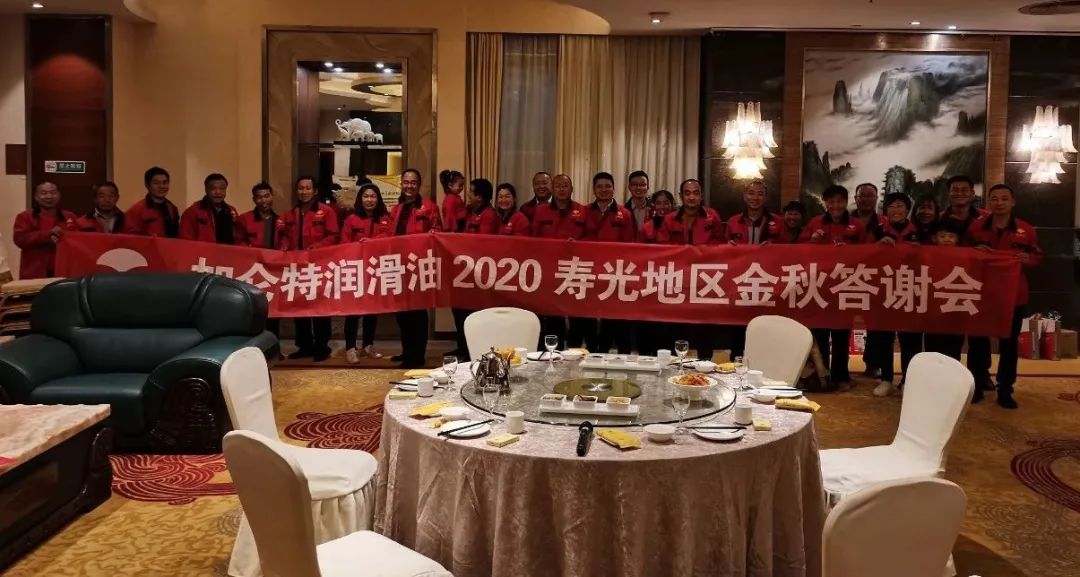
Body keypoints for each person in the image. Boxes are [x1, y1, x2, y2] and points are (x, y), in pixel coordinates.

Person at [966, 184, 1040, 409]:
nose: (999, 203)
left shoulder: (1026, 229)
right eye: (995, 199)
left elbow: (1037, 255)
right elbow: (963, 255)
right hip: (981, 293)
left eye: (1004, 199)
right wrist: (974, 253)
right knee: (977, 342)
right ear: (989, 202)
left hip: (1013, 295)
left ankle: (1005, 389)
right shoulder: (976, 228)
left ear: (1012, 202)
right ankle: (976, 385)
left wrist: (1028, 259)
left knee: (1009, 345)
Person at [801, 184, 870, 390]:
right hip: (820, 286)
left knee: (841, 334)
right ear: (825, 203)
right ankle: (823, 375)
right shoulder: (815, 223)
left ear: (846, 202)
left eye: (839, 201)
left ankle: (841, 376)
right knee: (820, 333)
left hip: (845, 286)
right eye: (831, 202)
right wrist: (812, 241)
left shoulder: (857, 225)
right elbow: (798, 249)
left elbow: (869, 251)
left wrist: (851, 249)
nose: (835, 205)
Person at [660, 178, 725, 361]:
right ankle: (675, 366)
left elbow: (720, 244)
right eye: (687, 193)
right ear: (681, 196)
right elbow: (663, 249)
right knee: (676, 328)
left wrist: (701, 253)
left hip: (705, 281)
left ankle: (704, 367)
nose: (691, 197)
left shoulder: (712, 216)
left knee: (705, 329)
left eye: (696, 193)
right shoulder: (669, 219)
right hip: (678, 281)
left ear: (701, 195)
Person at [939, 175, 993, 393]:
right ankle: (952, 377)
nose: (959, 193)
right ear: (949, 193)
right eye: (955, 189)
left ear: (972, 193)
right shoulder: (940, 218)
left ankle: (981, 376)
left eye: (964, 190)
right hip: (950, 283)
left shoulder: (986, 219)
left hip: (979, 283)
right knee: (951, 335)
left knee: (979, 334)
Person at [280, 176, 339, 362]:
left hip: (319, 265)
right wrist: (284, 247)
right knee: (300, 307)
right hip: (296, 267)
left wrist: (317, 248)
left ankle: (322, 346)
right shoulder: (290, 214)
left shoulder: (326, 212)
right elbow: (283, 236)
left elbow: (333, 236)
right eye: (300, 188)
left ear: (315, 191)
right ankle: (304, 346)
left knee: (320, 307)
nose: (304, 192)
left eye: (308, 188)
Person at [870, 192, 923, 397]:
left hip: (911, 290)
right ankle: (886, 379)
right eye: (892, 206)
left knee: (910, 339)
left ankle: (908, 380)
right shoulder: (877, 230)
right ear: (886, 210)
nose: (896, 210)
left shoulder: (918, 231)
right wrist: (877, 247)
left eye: (900, 206)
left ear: (907, 209)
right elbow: (863, 254)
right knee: (884, 338)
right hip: (884, 289)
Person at [726, 180, 783, 359]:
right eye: (751, 193)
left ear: (765, 197)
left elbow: (788, 250)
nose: (755, 197)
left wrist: (775, 248)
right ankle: (735, 364)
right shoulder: (733, 221)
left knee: (764, 327)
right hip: (740, 282)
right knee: (738, 327)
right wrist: (727, 247)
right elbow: (720, 250)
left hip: (767, 283)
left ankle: (764, 363)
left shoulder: (778, 222)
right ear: (744, 196)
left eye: (760, 193)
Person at [390, 168, 441, 368]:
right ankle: (407, 351)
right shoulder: (397, 209)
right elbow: (387, 235)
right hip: (398, 266)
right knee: (401, 312)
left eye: (413, 182)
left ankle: (417, 355)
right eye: (406, 182)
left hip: (419, 266)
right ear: (401, 184)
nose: (409, 186)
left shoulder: (429, 207)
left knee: (417, 313)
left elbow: (437, 231)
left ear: (419, 185)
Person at [531, 173, 588, 350]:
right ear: (552, 189)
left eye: (565, 186)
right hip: (550, 271)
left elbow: (591, 238)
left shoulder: (583, 210)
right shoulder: (541, 211)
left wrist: (578, 245)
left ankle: (574, 351)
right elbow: (533, 240)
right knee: (553, 316)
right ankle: (554, 352)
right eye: (558, 186)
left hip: (575, 270)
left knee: (577, 316)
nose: (562, 189)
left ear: (572, 189)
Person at [340, 183, 393, 363]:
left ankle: (368, 345)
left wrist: (372, 242)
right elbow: (344, 243)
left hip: (376, 270)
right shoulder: (351, 219)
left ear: (378, 199)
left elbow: (390, 238)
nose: (369, 200)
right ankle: (350, 347)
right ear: (360, 199)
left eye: (373, 196)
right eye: (366, 196)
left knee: (372, 311)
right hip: (355, 271)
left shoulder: (385, 218)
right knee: (353, 312)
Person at [585, 171, 636, 354]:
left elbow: (630, 245)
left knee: (615, 317)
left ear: (614, 189)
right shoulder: (585, 211)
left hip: (615, 272)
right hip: (590, 272)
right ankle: (593, 353)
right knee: (589, 316)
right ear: (593, 189)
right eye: (599, 186)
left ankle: (621, 356)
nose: (604, 190)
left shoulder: (625, 213)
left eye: (608, 186)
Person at [450, 178, 498, 357]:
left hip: (479, 272)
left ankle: (473, 350)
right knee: (459, 310)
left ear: (480, 197)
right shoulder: (469, 211)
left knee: (473, 313)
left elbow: (483, 243)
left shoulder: (489, 215)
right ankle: (462, 346)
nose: (468, 195)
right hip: (464, 270)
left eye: (471, 192)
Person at [236, 182, 283, 341]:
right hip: (252, 271)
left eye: (267, 196)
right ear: (254, 199)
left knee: (274, 309)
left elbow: (286, 242)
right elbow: (238, 242)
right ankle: (253, 345)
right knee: (254, 308)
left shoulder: (281, 220)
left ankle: (273, 344)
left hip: (273, 271)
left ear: (272, 197)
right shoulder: (244, 219)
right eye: (259, 197)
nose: (264, 200)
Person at [851, 182, 888, 379]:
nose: (865, 199)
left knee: (876, 323)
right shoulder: (845, 220)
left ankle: (873, 363)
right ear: (855, 199)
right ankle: (838, 367)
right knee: (840, 322)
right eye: (862, 195)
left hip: (875, 279)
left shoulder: (884, 222)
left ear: (876, 199)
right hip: (847, 277)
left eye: (869, 196)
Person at [637, 189, 676, 355]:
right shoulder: (646, 228)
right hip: (651, 281)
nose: (662, 207)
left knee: (670, 327)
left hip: (674, 280)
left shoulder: (680, 225)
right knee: (649, 325)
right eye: (658, 203)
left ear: (672, 205)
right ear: (653, 205)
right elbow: (638, 255)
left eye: (666, 203)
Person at [922, 219, 966, 361]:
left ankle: (952, 374)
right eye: (942, 236)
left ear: (957, 239)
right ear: (934, 238)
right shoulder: (926, 256)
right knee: (932, 347)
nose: (947, 239)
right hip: (933, 311)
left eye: (951, 236)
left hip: (956, 310)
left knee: (954, 348)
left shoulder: (966, 257)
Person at [13, 181, 77, 279]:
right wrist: (48, 234)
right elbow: (20, 240)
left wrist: (63, 239)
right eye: (44, 193)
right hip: (34, 273)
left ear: (59, 195)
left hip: (63, 272)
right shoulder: (25, 217)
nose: (49, 196)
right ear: (36, 197)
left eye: (53, 192)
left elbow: (78, 241)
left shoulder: (70, 216)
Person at [180, 173, 240, 244]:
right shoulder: (193, 211)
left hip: (228, 250)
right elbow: (185, 239)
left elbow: (238, 236)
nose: (218, 192)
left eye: (222, 189)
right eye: (213, 188)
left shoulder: (231, 210)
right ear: (206, 190)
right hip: (203, 250)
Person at [125, 166, 179, 237]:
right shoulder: (135, 210)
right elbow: (131, 238)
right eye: (156, 183)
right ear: (147, 185)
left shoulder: (172, 208)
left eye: (165, 182)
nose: (162, 186)